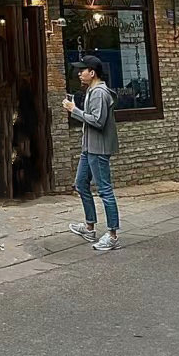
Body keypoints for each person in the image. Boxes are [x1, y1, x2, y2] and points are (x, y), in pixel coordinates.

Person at [64, 55, 120, 251]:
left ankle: (112, 235)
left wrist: (74, 110)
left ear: (93, 72)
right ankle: (89, 227)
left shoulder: (99, 93)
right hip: (88, 148)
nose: (79, 74)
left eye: (82, 70)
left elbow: (98, 121)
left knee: (105, 190)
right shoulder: (91, 91)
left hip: (99, 148)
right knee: (81, 184)